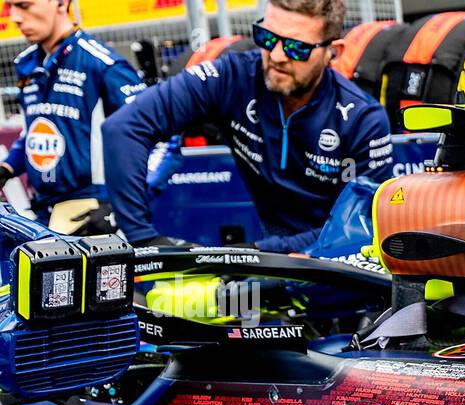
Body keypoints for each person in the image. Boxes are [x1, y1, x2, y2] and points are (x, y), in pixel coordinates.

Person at [103, 0, 391, 252]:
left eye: (296, 47)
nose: (277, 56)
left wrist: (255, 252)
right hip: (269, 260)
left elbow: (359, 230)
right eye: (266, 37)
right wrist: (142, 239)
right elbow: (123, 127)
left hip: (336, 272)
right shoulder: (233, 76)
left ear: (334, 52)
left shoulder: (363, 119)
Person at [0, 0, 146, 234]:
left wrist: (120, 207)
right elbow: (34, 131)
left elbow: (160, 141)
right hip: (44, 212)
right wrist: (7, 169)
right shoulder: (26, 64)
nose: (15, 17)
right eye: (10, 7)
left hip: (92, 213)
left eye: (24, 6)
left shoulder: (102, 64)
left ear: (61, 3)